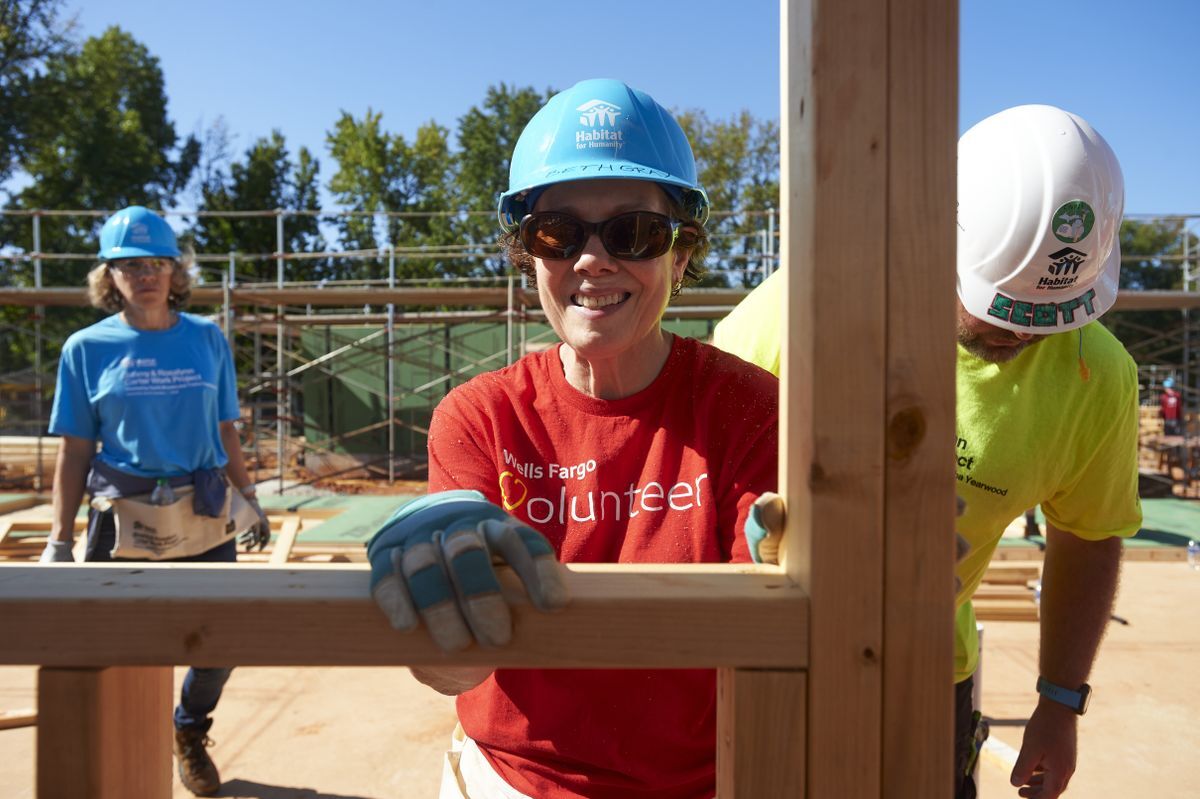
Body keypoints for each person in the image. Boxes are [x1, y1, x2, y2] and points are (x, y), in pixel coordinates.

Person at [712, 104, 1142, 799]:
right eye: (999, 313)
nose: (1021, 341)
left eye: (1046, 322)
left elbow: (1087, 539)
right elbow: (687, 451)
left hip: (929, 675)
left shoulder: (1099, 377)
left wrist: (1061, 701)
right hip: (779, 660)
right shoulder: (811, 305)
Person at [366, 79, 779, 799]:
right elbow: (454, 673)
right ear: (529, 256)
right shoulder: (480, 420)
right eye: (558, 231)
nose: (592, 259)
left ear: (682, 255)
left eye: (634, 232)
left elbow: (780, 644)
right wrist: (436, 610)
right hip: (513, 781)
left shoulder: (748, 411)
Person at [40, 205, 271, 797]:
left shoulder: (206, 339)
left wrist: (249, 499)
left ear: (175, 271)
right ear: (108, 277)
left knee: (222, 640)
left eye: (158, 263)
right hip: (122, 520)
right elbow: (75, 449)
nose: (146, 274)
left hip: (203, 512)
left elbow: (226, 431)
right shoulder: (85, 349)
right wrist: (58, 540)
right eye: (130, 265)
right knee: (108, 646)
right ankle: (117, 754)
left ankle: (189, 728)